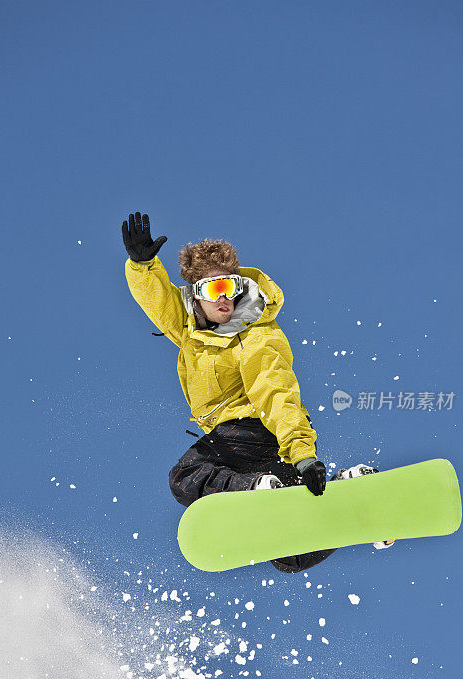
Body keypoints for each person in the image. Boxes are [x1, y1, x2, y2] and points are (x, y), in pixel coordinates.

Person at [122, 212, 393, 573]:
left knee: (186, 475)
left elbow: (276, 391)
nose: (224, 300)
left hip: (249, 433)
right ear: (194, 297)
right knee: (290, 557)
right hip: (260, 458)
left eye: (230, 288)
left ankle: (254, 488)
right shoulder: (193, 330)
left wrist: (303, 453)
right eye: (213, 290)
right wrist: (143, 266)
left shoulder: (254, 333)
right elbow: (161, 305)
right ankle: (352, 498)